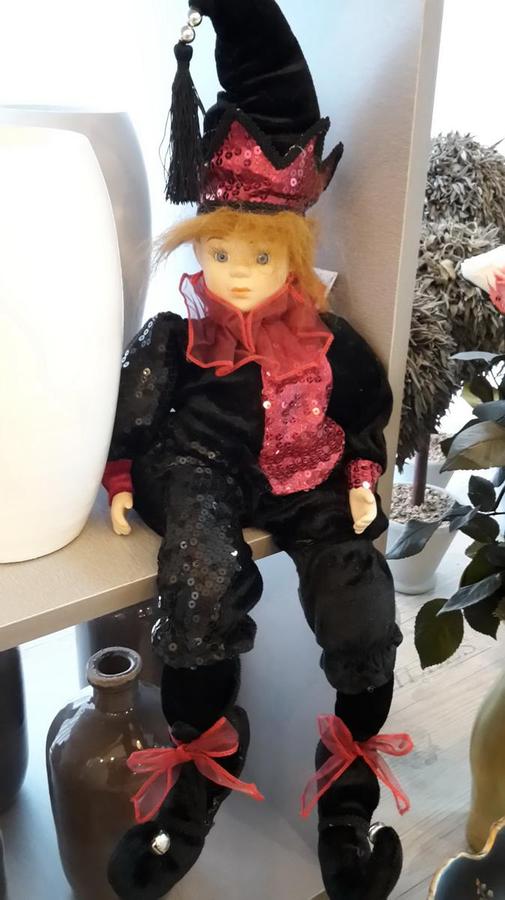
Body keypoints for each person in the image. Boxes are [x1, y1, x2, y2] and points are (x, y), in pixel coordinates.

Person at [103, 3, 412, 898]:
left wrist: (360, 472)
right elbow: (137, 413)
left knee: (358, 602)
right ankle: (199, 774)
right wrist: (121, 475)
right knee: (198, 581)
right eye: (221, 252)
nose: (238, 271)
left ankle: (347, 798)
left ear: (292, 260)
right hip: (202, 466)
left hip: (308, 468)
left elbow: (361, 407)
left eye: (260, 258)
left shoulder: (327, 340)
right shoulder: (176, 337)